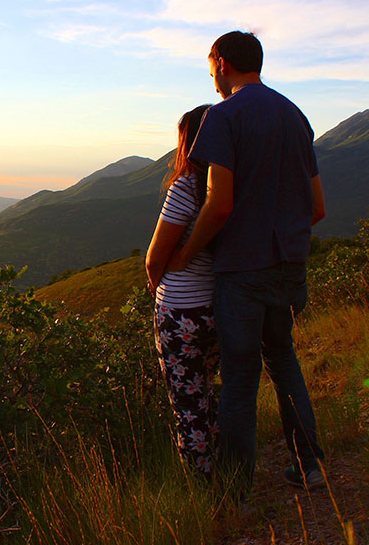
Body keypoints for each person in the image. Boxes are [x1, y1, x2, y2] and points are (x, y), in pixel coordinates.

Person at [166, 31, 327, 498]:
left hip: (241, 272)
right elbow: (317, 208)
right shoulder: (295, 116)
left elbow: (218, 204)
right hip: (290, 266)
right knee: (283, 359)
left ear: (221, 63)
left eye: (210, 65)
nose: (212, 75)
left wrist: (186, 254)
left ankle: (236, 490)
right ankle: (310, 465)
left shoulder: (223, 117)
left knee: (238, 380)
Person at [146, 104, 218, 478]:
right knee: (208, 395)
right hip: (218, 307)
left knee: (187, 405)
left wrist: (155, 284)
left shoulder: (187, 186)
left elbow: (154, 257)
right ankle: (228, 470)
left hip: (180, 312)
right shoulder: (229, 186)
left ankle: (204, 489)